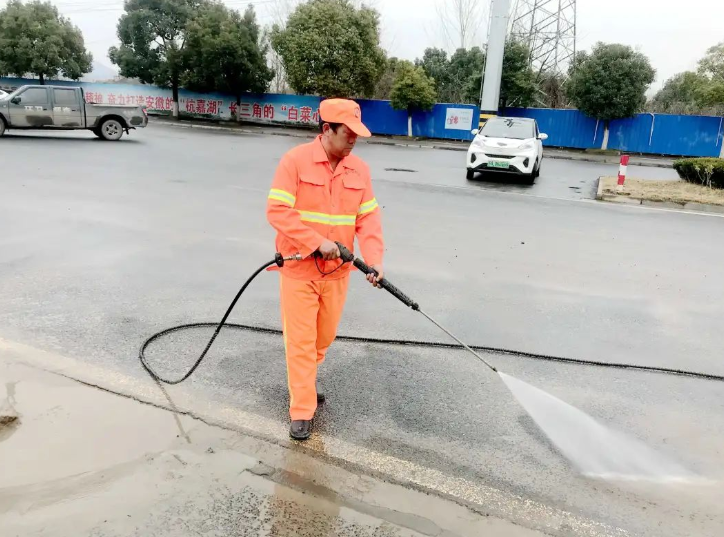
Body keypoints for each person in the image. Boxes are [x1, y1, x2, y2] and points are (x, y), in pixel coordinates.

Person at [266, 98, 384, 441]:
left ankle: (305, 380)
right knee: (301, 342)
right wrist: (315, 241)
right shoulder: (295, 161)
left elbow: (368, 218)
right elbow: (277, 211)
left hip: (337, 273)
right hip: (300, 270)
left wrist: (374, 260)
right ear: (327, 129)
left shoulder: (359, 170)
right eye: (348, 133)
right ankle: (302, 409)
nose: (353, 140)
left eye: (357, 134)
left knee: (323, 338)